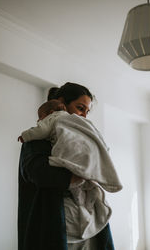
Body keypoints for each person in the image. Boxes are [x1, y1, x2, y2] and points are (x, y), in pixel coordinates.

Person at [18, 82, 116, 250]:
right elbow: (38, 173)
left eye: (87, 111)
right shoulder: (37, 141)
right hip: (57, 227)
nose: (84, 116)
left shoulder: (84, 137)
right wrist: (80, 175)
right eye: (80, 108)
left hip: (90, 225)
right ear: (63, 104)